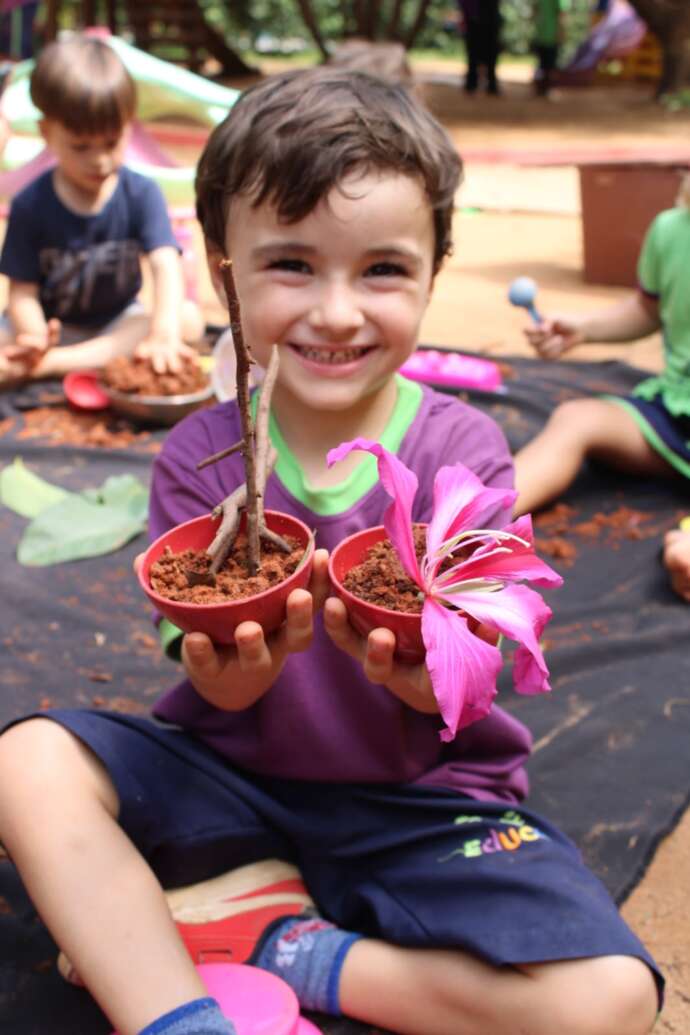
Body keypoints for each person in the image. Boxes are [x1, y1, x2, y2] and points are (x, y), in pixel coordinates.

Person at [0, 68, 660, 1035]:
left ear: (438, 265)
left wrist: (419, 679)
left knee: (611, 998)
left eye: (383, 269)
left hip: (422, 802)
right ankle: (179, 1017)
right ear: (222, 265)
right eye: (293, 265)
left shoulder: (462, 454)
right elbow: (205, 677)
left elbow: (478, 678)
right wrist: (237, 673)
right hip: (230, 774)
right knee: (27, 763)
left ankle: (291, 950)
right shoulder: (199, 454)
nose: (339, 312)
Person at [0, 33, 204, 387]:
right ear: (47, 133)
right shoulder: (30, 203)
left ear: (130, 125)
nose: (100, 160)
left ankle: (50, 366)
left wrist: (163, 332)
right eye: (81, 147)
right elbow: (22, 292)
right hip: (52, 329)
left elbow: (165, 263)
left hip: (117, 325)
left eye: (112, 142)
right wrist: (35, 336)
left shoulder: (141, 192)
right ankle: (47, 360)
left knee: (186, 319)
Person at [514, 178, 690, 523]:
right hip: (674, 411)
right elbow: (648, 309)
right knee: (576, 419)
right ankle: (459, 533)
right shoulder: (670, 230)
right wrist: (584, 330)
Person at [458, 0, 502, 95]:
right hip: (475, 18)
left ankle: (490, 83)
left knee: (490, 52)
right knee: (474, 52)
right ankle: (472, 82)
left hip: (489, 18)